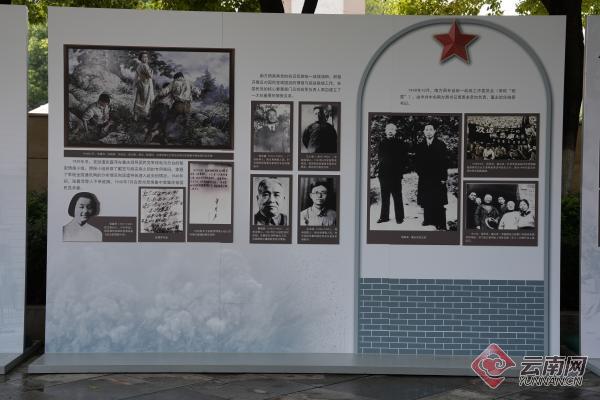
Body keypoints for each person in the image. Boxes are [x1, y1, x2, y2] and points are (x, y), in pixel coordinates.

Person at [415, 124, 448, 230]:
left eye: (430, 129)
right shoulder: (420, 146)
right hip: (424, 177)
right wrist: (420, 173)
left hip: (437, 177)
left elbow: (444, 162)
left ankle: (440, 223)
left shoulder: (441, 144)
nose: (428, 131)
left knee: (438, 200)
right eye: (426, 130)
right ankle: (428, 219)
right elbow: (416, 162)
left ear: (434, 131)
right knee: (426, 198)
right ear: (424, 132)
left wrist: (443, 177)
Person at [376, 123, 407, 224]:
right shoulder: (382, 143)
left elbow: (403, 159)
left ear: (395, 131)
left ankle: (400, 217)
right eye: (388, 129)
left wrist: (400, 172)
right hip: (384, 174)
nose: (390, 131)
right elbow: (380, 158)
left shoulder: (400, 143)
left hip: (395, 175)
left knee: (397, 196)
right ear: (385, 131)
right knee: (385, 196)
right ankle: (384, 217)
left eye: (392, 129)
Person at [132, 51, 155, 121]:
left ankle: (136, 116)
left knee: (139, 99)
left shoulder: (139, 65)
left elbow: (136, 76)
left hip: (141, 83)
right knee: (145, 100)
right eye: (144, 57)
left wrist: (135, 84)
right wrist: (152, 71)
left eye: (146, 57)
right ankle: (144, 115)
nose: (146, 58)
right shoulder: (144, 65)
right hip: (145, 84)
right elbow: (150, 76)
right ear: (141, 58)